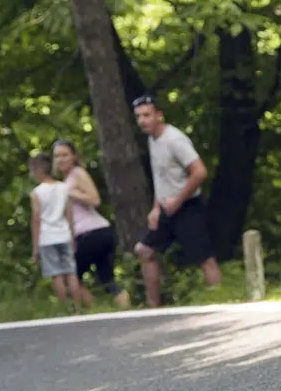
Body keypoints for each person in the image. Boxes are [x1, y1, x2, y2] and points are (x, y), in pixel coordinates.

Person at [131, 95, 220, 307]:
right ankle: (154, 307)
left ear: (159, 115)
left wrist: (179, 200)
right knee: (144, 250)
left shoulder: (174, 140)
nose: (142, 120)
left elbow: (200, 172)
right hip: (166, 208)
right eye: (139, 116)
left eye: (147, 115)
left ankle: (220, 300)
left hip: (187, 206)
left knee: (204, 257)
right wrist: (155, 208)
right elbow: (161, 176)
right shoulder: (152, 140)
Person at [53, 139, 130, 309]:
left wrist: (70, 192)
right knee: (106, 279)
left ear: (74, 156)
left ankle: (93, 311)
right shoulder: (66, 180)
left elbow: (95, 199)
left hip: (93, 233)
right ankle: (123, 311)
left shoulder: (77, 174)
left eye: (65, 155)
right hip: (95, 233)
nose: (60, 159)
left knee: (69, 276)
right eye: (57, 156)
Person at [30, 154, 92, 308]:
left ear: (37, 171)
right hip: (64, 235)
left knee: (56, 274)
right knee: (71, 272)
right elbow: (69, 214)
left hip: (46, 238)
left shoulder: (37, 192)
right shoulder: (63, 188)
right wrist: (72, 236)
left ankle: (65, 306)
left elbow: (36, 219)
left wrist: (35, 247)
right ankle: (77, 305)